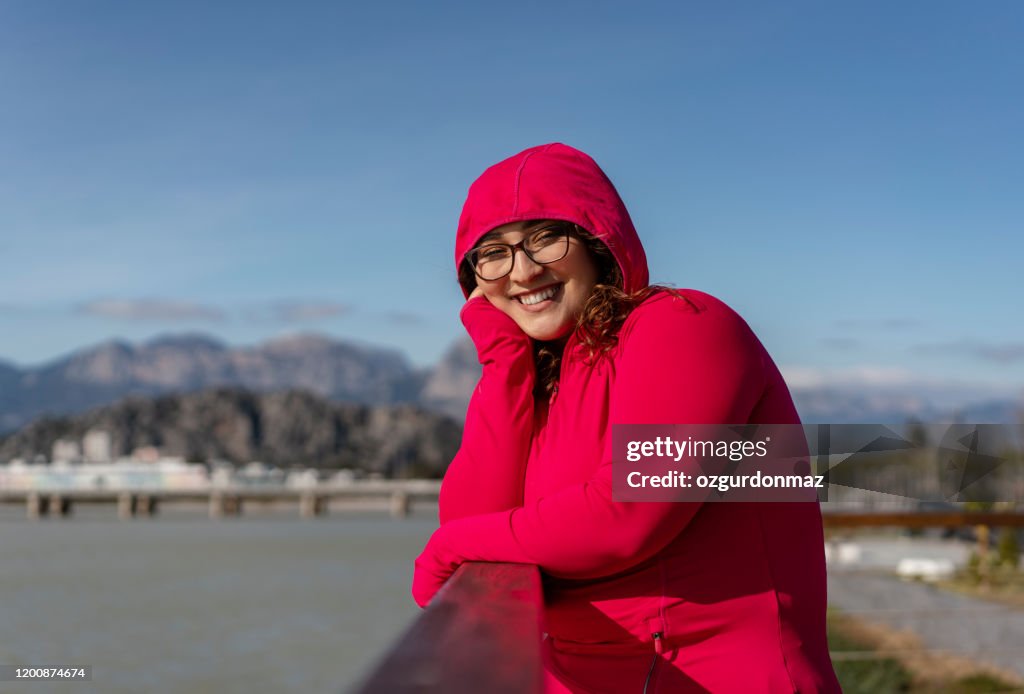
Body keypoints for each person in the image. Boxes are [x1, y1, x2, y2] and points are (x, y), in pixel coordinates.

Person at [412, 143, 841, 693]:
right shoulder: (543, 379)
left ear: (597, 241)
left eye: (546, 238)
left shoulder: (686, 326)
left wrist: (449, 548)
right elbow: (475, 521)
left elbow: (627, 514)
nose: (521, 270)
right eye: (492, 253)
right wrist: (504, 365)